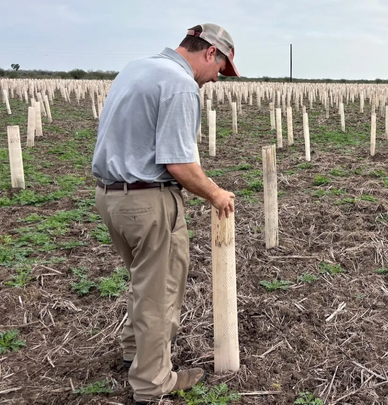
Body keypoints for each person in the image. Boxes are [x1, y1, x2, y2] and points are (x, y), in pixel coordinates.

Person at [91, 23, 237, 404]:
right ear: (209, 53)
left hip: (111, 198)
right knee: (161, 292)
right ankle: (153, 381)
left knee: (143, 280)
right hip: (148, 202)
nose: (215, 80)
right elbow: (179, 164)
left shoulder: (136, 68)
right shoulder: (180, 83)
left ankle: (132, 352)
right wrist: (216, 193)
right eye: (219, 70)